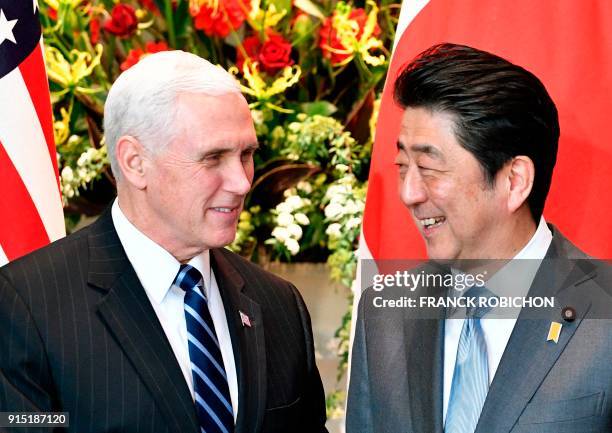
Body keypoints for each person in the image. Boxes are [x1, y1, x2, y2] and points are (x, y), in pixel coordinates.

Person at [0, 50, 327, 433]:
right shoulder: (27, 305)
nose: (241, 182)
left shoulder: (278, 303)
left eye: (246, 155)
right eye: (213, 158)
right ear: (135, 162)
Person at [346, 43, 611, 433]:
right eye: (403, 166)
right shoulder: (385, 312)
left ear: (513, 180)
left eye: (429, 167)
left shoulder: (602, 312)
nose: (409, 193)